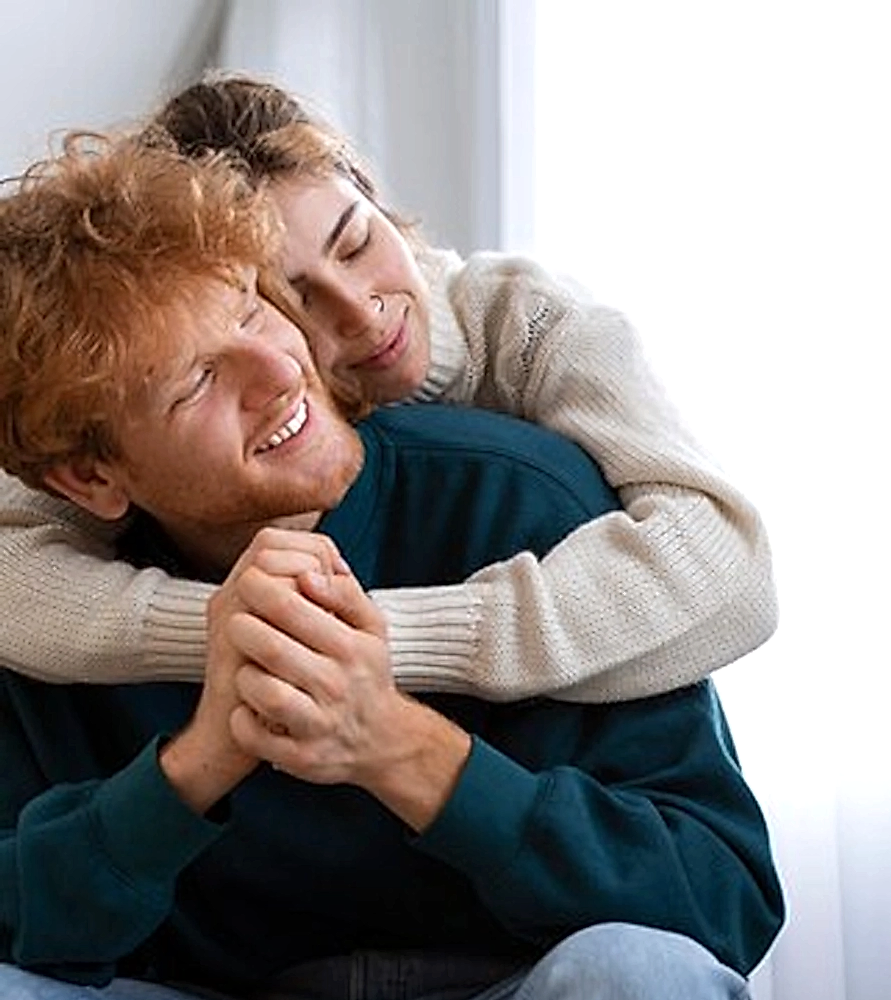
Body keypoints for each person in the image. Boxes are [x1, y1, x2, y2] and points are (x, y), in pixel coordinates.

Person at [0, 135, 783, 999]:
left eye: (252, 312)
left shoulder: (522, 498)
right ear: (90, 479)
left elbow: (723, 895)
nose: (280, 370)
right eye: (195, 382)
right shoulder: (51, 609)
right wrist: (197, 765)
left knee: (640, 974)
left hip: (516, 986)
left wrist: (397, 745)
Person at [0, 74, 777, 702]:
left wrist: (371, 637)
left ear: (374, 197)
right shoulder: (188, 399)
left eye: (356, 242)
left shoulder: (533, 327)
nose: (361, 312)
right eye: (292, 298)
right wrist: (239, 629)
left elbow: (733, 577)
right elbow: (15, 578)